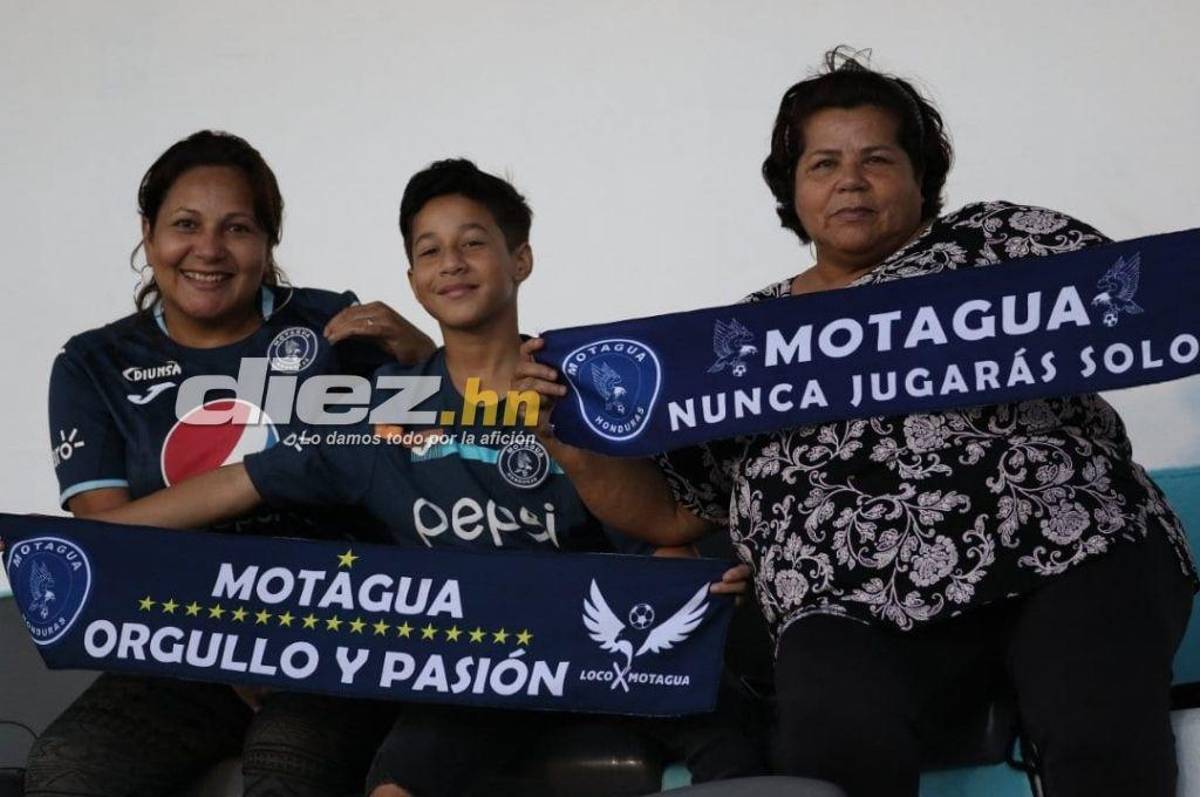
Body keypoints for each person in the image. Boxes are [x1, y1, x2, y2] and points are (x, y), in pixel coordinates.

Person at [514, 48, 1198, 797]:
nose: (850, 180)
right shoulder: (740, 340)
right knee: (832, 747)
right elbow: (672, 512)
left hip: (1065, 545)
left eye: (877, 158)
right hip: (843, 604)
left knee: (1098, 725)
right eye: (823, 164)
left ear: (919, 176)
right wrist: (567, 436)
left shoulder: (1000, 244)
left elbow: (1142, 307)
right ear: (793, 189)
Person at [85, 159, 763, 796]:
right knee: (394, 787)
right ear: (413, 280)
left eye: (473, 243)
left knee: (740, 756)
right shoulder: (384, 410)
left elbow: (663, 535)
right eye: (430, 250)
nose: (452, 263)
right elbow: (239, 482)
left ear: (520, 260)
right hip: (477, 669)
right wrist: (88, 538)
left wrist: (688, 574)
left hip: (610, 651)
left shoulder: (582, 384)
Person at [26, 130, 435, 797]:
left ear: (269, 242)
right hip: (177, 641)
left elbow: (437, 463)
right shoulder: (93, 364)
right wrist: (266, 477)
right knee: (69, 768)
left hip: (335, 630)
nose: (209, 250)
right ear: (148, 234)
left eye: (237, 228)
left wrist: (424, 359)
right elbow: (106, 542)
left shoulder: (334, 326)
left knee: (287, 758)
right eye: (185, 224)